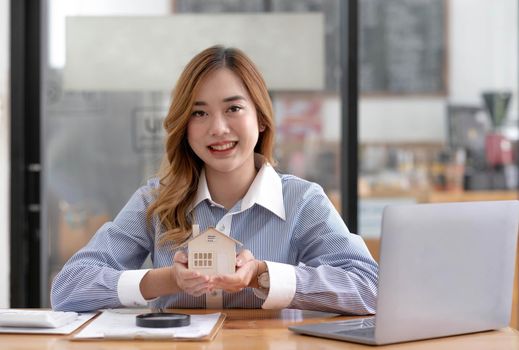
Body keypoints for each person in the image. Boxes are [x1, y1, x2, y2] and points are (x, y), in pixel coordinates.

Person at [51, 45, 378, 314]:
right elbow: (68, 289)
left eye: (233, 108)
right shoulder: (155, 202)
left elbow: (371, 288)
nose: (218, 128)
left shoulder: (302, 201)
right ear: (184, 126)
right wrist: (169, 280)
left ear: (261, 119)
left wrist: (262, 275)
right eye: (199, 113)